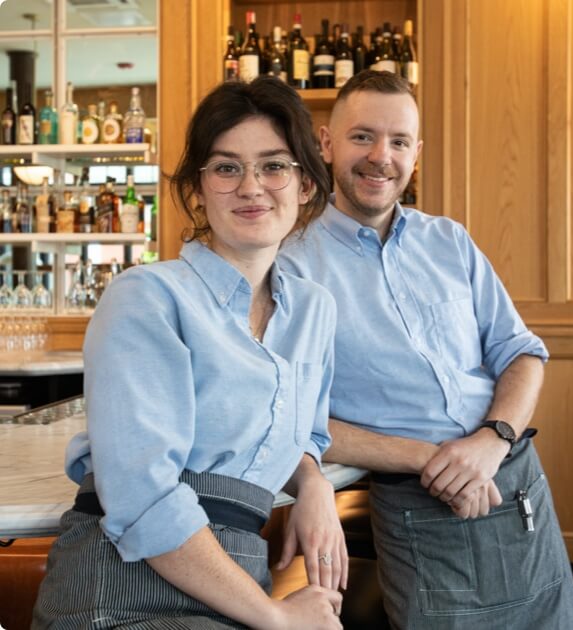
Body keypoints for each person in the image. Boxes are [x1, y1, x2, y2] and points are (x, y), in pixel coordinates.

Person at [32, 77, 347, 630]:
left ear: (304, 185)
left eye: (274, 165)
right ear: (198, 188)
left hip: (239, 575)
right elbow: (143, 495)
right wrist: (275, 619)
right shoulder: (147, 296)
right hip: (121, 578)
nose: (252, 186)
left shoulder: (314, 310)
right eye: (227, 167)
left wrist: (313, 483)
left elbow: (305, 434)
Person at [279, 70, 573, 629]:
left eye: (398, 142)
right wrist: (436, 459)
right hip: (419, 503)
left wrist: (491, 440)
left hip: (518, 481)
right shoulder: (288, 266)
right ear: (326, 142)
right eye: (362, 136)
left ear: (416, 154)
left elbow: (522, 352)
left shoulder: (450, 240)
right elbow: (292, 415)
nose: (381, 157)